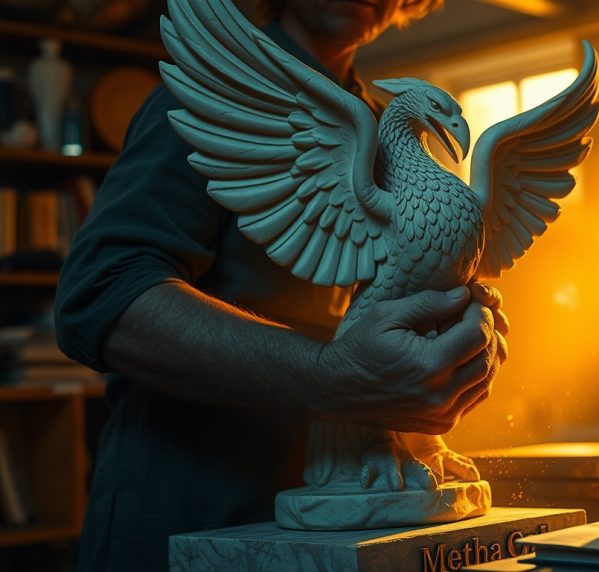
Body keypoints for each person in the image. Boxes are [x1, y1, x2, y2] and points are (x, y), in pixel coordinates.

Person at [54, 1, 509, 570]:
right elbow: (102, 293)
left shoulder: (391, 137)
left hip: (331, 518)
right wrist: (332, 376)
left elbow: (381, 309)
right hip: (185, 511)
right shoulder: (219, 86)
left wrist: (453, 336)